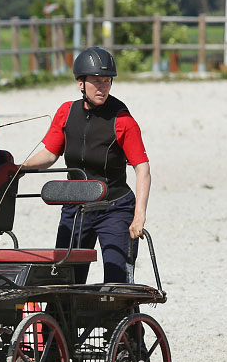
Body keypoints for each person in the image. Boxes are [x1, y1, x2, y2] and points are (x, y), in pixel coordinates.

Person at [22, 46, 151, 284]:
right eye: (96, 81)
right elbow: (50, 155)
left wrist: (139, 216)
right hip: (76, 208)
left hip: (115, 208)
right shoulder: (66, 112)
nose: (102, 87)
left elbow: (142, 168)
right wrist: (20, 168)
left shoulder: (123, 121)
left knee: (117, 284)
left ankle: (127, 319)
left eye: (107, 81)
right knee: (64, 280)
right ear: (81, 83)